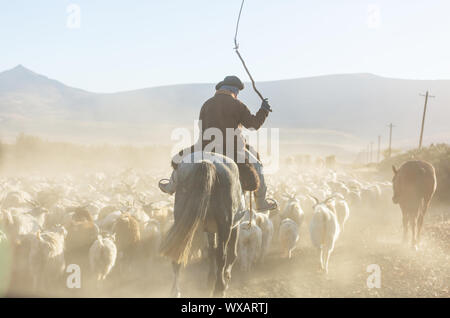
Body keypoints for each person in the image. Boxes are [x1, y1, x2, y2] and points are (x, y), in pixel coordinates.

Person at [159, 75, 277, 212]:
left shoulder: (207, 103)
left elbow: (202, 127)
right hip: (232, 150)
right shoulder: (238, 105)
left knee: (181, 159)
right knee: (257, 165)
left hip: (204, 147)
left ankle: (171, 186)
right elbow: (253, 125)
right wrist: (264, 111)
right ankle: (261, 203)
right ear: (235, 90)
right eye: (237, 92)